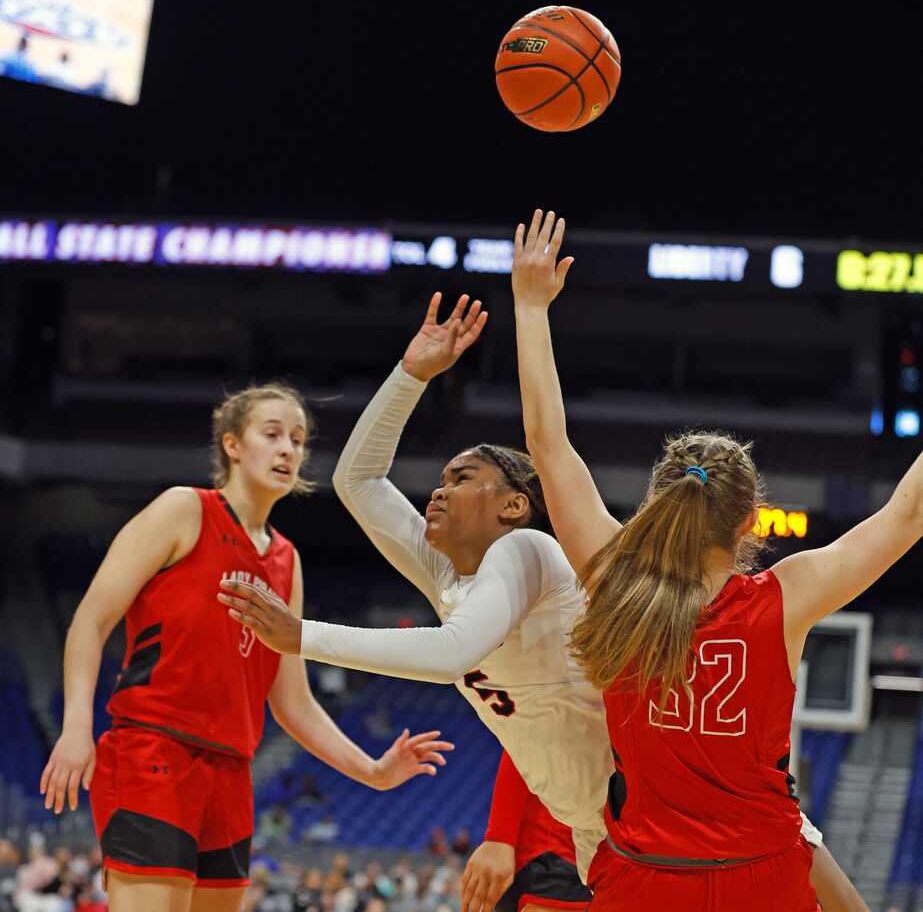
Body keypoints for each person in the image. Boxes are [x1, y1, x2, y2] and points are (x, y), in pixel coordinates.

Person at [218, 298, 865, 912]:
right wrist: (410, 374)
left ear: (513, 505)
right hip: (590, 821)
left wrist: (301, 634)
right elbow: (357, 481)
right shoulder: (453, 579)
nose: (437, 494)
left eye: (462, 478)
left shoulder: (526, 553)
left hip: (636, 817)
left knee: (790, 846)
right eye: (440, 480)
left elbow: (453, 652)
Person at [508, 209, 887, 910]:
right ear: (750, 521)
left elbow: (545, 443)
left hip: (644, 876)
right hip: (763, 873)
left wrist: (530, 308)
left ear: (656, 504)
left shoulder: (612, 579)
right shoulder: (787, 596)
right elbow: (912, 513)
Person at [39, 381, 453, 912]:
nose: (288, 449)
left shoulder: (287, 560)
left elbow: (293, 701)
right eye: (273, 434)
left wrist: (371, 770)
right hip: (153, 753)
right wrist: (76, 729)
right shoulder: (184, 510)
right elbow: (91, 620)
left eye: (298, 439)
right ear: (232, 444)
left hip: (231, 772)